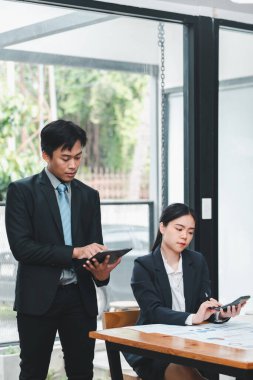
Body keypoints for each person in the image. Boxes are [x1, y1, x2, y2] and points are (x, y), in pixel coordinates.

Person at [5, 119, 121, 380]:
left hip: (79, 299)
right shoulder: (22, 192)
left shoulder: (89, 196)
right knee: (33, 372)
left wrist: (102, 273)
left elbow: (93, 249)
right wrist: (74, 252)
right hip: (38, 299)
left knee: (82, 372)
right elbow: (22, 249)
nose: (73, 165)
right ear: (46, 155)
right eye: (65, 158)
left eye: (78, 157)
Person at [125, 203, 245, 380]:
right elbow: (153, 311)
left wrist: (220, 314)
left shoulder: (197, 261)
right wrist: (193, 318)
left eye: (190, 232)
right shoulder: (143, 265)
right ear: (162, 227)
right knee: (182, 369)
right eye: (179, 229)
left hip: (192, 345)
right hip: (155, 350)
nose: (185, 236)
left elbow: (201, 305)